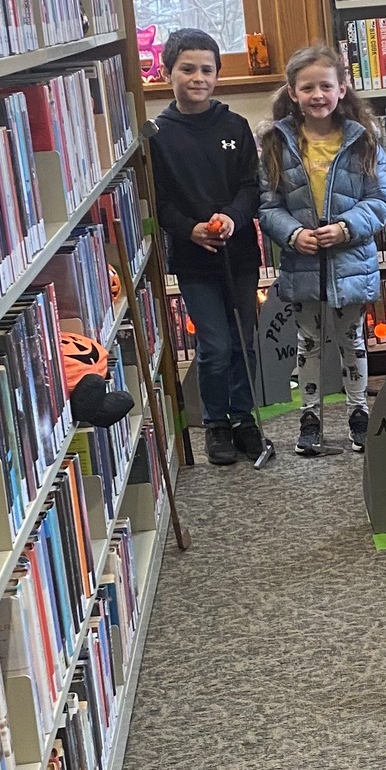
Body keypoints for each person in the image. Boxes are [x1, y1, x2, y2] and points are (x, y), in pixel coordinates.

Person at [258, 43, 386, 455]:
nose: (317, 95)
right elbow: (268, 204)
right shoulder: (276, 143)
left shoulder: (364, 140)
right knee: (309, 342)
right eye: (307, 88)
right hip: (301, 262)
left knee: (352, 339)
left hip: (349, 260)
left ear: (342, 89)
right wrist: (292, 234)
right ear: (292, 92)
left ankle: (358, 413)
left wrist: (346, 227)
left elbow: (382, 199)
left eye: (325, 86)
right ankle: (311, 418)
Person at [148, 28, 262, 467]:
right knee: (214, 344)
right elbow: (159, 201)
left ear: (218, 74)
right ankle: (216, 422)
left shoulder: (235, 126)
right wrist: (190, 229)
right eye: (187, 69)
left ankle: (243, 417)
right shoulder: (158, 134)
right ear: (167, 72)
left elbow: (251, 186)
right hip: (194, 259)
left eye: (207, 70)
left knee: (243, 341)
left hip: (240, 255)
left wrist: (233, 216)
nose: (198, 78)